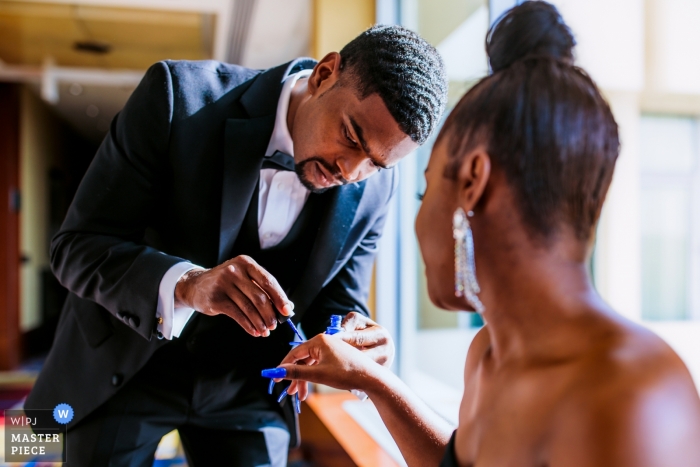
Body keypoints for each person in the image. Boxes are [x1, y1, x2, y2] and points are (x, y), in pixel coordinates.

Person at [272, 3, 700, 466]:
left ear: (474, 180)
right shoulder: (486, 355)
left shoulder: (630, 395)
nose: (419, 223)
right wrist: (373, 380)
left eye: (427, 189)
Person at [25, 26, 448, 466]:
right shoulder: (178, 96)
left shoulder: (377, 190)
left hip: (252, 385)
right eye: (351, 137)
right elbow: (75, 247)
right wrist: (187, 284)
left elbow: (336, 298)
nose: (350, 171)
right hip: (127, 364)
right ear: (324, 73)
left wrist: (353, 334)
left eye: (375, 164)